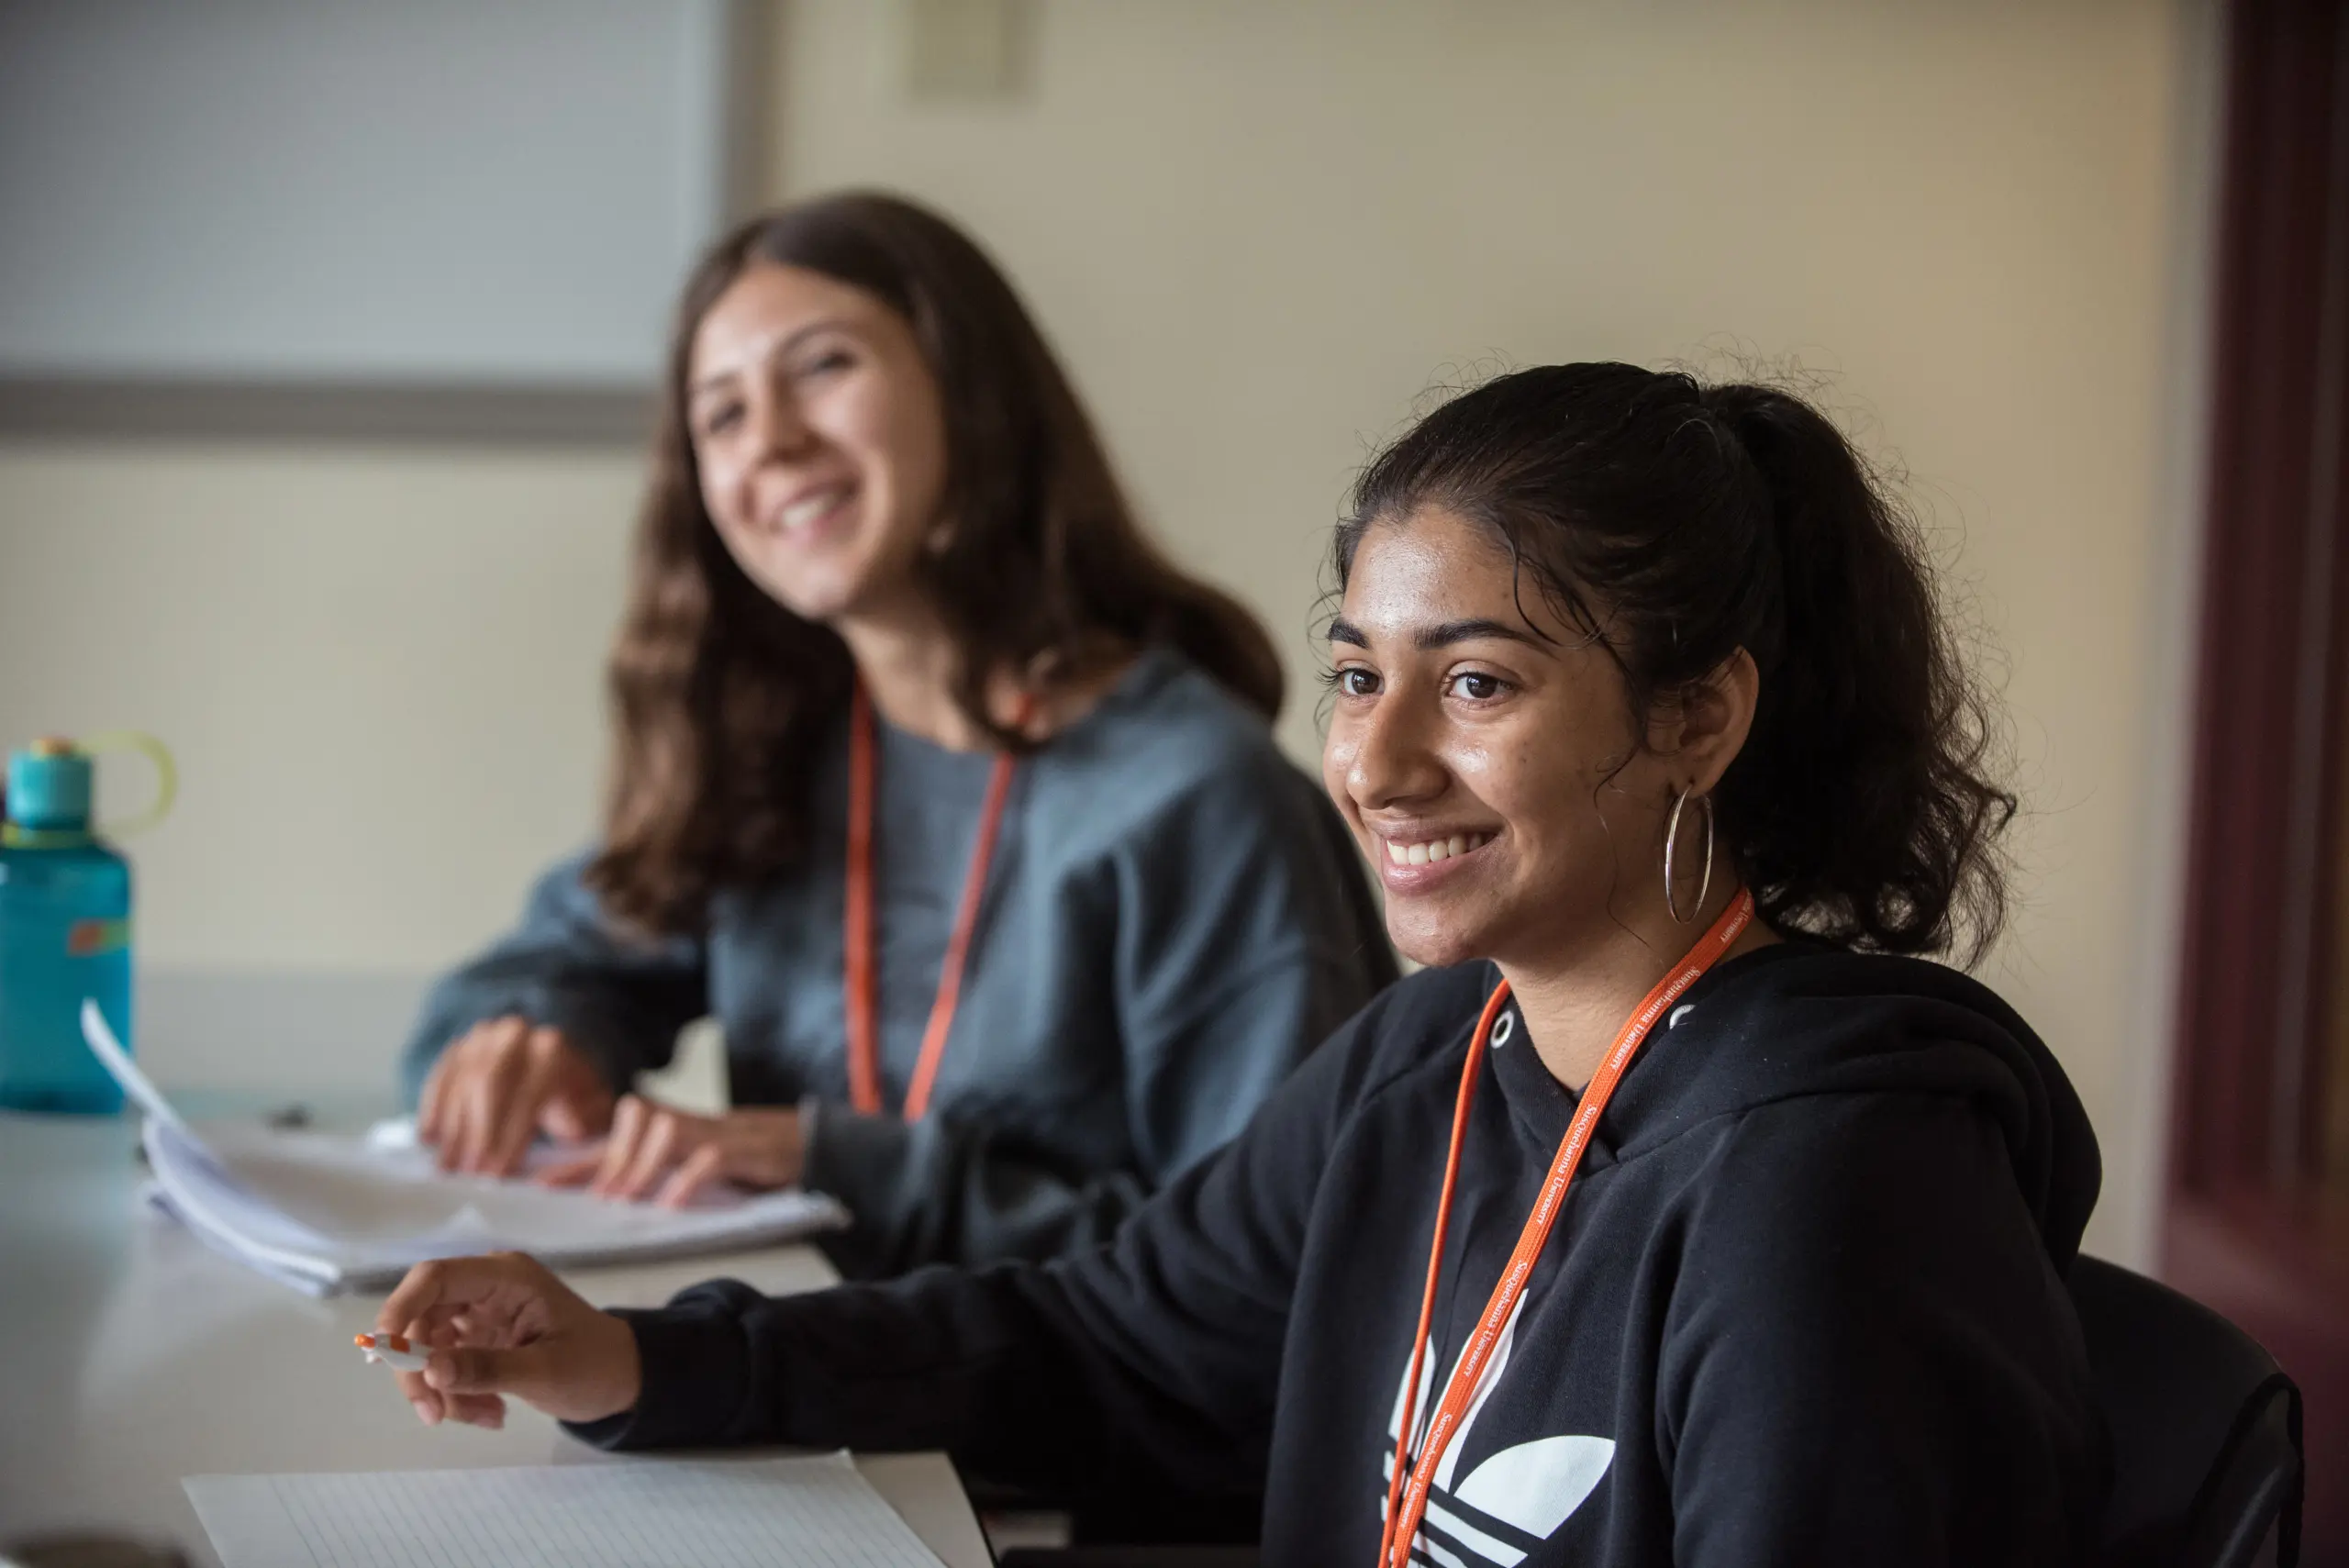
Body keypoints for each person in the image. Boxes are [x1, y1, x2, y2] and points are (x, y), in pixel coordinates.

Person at [377, 364, 2109, 1565]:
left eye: (1480, 681)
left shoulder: (1833, 1186)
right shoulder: (1434, 1056)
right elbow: (1101, 1342)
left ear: (1697, 714)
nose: (1377, 759)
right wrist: (631, 1360)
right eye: (1359, 673)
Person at [400, 192, 1395, 1277]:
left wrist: (836, 1164)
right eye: (721, 413)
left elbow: (1260, 1274)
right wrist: (540, 1041)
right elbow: (529, 974)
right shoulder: (779, 751)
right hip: (822, 1404)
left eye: (823, 366)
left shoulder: (1195, 795)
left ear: (972, 394)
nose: (771, 440)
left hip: (1061, 1442)